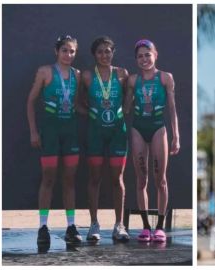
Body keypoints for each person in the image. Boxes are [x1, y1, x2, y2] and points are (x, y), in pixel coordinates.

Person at [27, 35, 82, 245]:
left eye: (72, 51)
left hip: (71, 132)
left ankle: (71, 225)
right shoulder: (45, 72)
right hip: (50, 132)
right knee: (48, 178)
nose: (69, 55)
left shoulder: (77, 75)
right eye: (65, 50)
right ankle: (42, 226)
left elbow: (77, 104)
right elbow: (30, 102)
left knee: (69, 180)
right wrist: (33, 131)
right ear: (56, 51)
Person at [124, 39, 180, 242]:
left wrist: (176, 135)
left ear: (155, 55)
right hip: (138, 128)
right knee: (141, 179)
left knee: (161, 179)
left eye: (147, 54)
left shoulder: (165, 78)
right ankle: (146, 226)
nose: (144, 59)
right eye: (140, 56)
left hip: (158, 128)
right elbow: (127, 108)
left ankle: (160, 226)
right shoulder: (132, 80)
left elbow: (172, 109)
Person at [76, 36, 130, 241]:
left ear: (113, 52)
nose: (104, 55)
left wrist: (124, 110)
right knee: (95, 178)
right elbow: (78, 102)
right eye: (100, 51)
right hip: (95, 132)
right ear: (94, 54)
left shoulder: (122, 74)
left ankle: (119, 225)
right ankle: (94, 224)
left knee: (118, 179)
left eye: (108, 51)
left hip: (117, 132)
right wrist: (90, 113)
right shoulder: (87, 76)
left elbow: (128, 99)